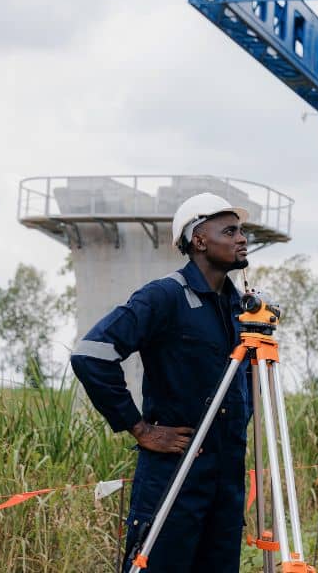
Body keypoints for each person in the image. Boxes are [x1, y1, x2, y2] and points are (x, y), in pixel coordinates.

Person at [70, 193, 252, 572]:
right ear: (198, 240)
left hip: (226, 484)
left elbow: (246, 379)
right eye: (230, 230)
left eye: (241, 230)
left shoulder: (241, 308)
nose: (241, 238)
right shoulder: (165, 296)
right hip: (174, 476)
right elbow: (92, 353)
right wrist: (139, 427)